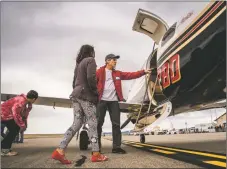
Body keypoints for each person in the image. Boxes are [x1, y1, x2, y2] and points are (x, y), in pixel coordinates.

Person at [51, 44, 108, 164]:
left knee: (76, 123)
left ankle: (60, 150)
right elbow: (91, 78)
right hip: (86, 96)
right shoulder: (90, 60)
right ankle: (96, 153)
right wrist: (95, 92)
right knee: (92, 122)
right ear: (91, 52)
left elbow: (73, 82)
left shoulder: (78, 65)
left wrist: (78, 91)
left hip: (76, 95)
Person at [96, 54, 151, 154]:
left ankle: (116, 147)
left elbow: (131, 75)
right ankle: (97, 148)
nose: (115, 62)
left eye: (116, 60)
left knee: (116, 124)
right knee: (99, 123)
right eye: (113, 60)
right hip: (101, 101)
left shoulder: (117, 73)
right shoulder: (99, 72)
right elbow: (91, 83)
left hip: (114, 102)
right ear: (107, 61)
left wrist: (143, 72)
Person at [1, 90, 39, 156]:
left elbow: (23, 113)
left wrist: (29, 107)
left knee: (15, 129)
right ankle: (4, 149)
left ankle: (5, 148)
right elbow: (16, 113)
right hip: (4, 115)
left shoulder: (24, 100)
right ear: (34, 99)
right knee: (14, 130)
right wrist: (22, 125)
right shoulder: (21, 101)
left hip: (6, 115)